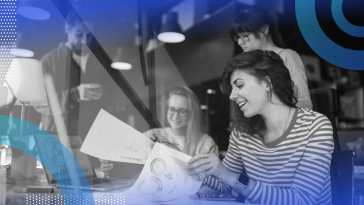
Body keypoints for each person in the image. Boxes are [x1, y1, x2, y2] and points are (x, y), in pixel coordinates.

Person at [188, 50, 334, 205]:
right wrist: (196, 168)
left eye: (239, 85)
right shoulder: (241, 132)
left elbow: (301, 200)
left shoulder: (316, 126)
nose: (232, 96)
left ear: (267, 83)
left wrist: (230, 177)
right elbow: (224, 182)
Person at [100, 86, 219, 177]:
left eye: (182, 111)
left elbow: (213, 181)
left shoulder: (206, 143)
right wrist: (112, 166)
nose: (175, 116)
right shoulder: (152, 135)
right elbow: (128, 162)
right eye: (172, 109)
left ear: (191, 114)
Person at [230, 5, 312, 109]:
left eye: (245, 36)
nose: (240, 42)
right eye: (237, 37)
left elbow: (303, 102)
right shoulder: (249, 65)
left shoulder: (287, 56)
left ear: (264, 29)